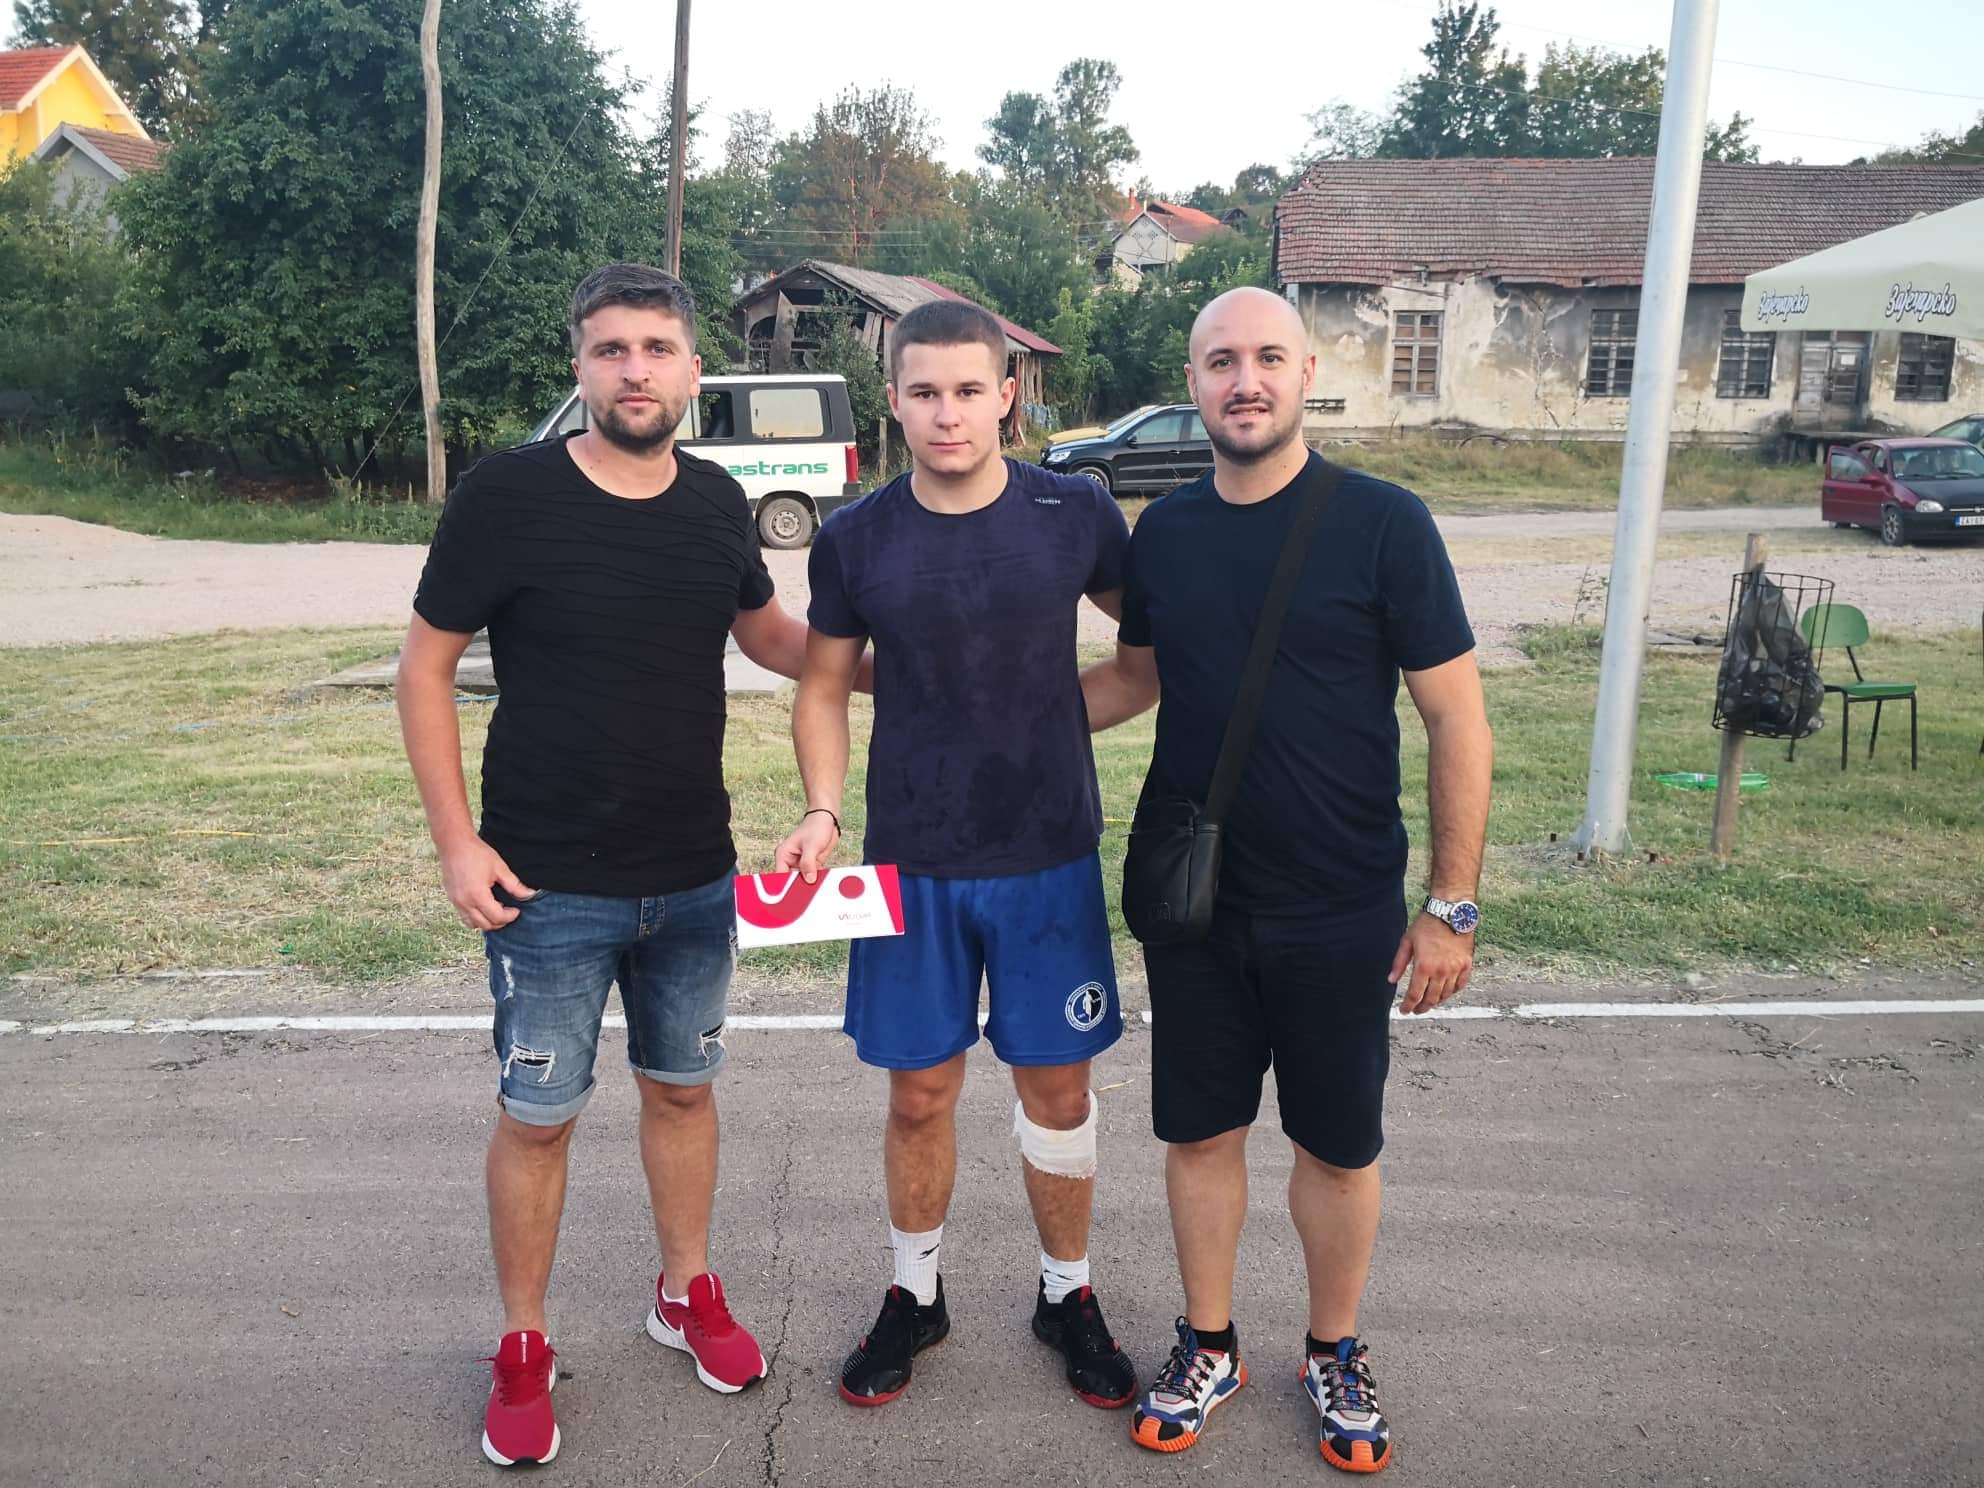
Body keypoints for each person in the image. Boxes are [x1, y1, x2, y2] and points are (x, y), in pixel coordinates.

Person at [398, 263, 855, 1468]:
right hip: (543, 885)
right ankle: (523, 1341)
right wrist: (456, 842)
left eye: (657, 349)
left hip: (692, 877)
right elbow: (425, 667)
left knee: (683, 1093)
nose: (635, 371)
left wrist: (891, 665)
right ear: (581, 368)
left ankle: (683, 1293)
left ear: (694, 370)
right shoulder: (506, 496)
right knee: (538, 1119)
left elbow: (771, 636)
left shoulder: (714, 501)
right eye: (611, 350)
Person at [1081, 287, 1493, 1473]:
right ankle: (1208, 1344)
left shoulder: (1383, 523)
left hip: (1341, 899)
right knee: (1200, 1132)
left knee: (1337, 1146)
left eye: (1267, 357)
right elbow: (1136, 678)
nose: (1244, 380)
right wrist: (988, 716)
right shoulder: (1165, 534)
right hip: (1197, 896)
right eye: (1220, 361)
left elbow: (1455, 717)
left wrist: (1450, 906)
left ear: (1308, 372)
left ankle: (1332, 1349)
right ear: (1193, 383)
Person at [774, 298, 1139, 1414]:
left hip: (1048, 856)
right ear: (893, 399)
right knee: (920, 1093)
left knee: (1058, 1091)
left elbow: (1148, 657)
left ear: (1006, 396)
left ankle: (1066, 1295)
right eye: (924, 392)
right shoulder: (857, 536)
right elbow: (822, 687)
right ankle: (914, 1293)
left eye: (969, 390)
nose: (948, 413)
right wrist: (822, 810)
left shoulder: (1074, 512)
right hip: (913, 858)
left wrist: (1045, 719)